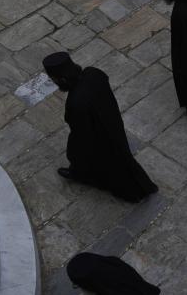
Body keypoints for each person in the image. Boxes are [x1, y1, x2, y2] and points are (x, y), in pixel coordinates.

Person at [43, 52, 157, 202]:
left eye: (55, 80)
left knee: (102, 163)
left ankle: (82, 175)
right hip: (112, 123)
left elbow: (82, 134)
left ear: (62, 79)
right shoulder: (93, 73)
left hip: (98, 137)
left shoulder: (75, 102)